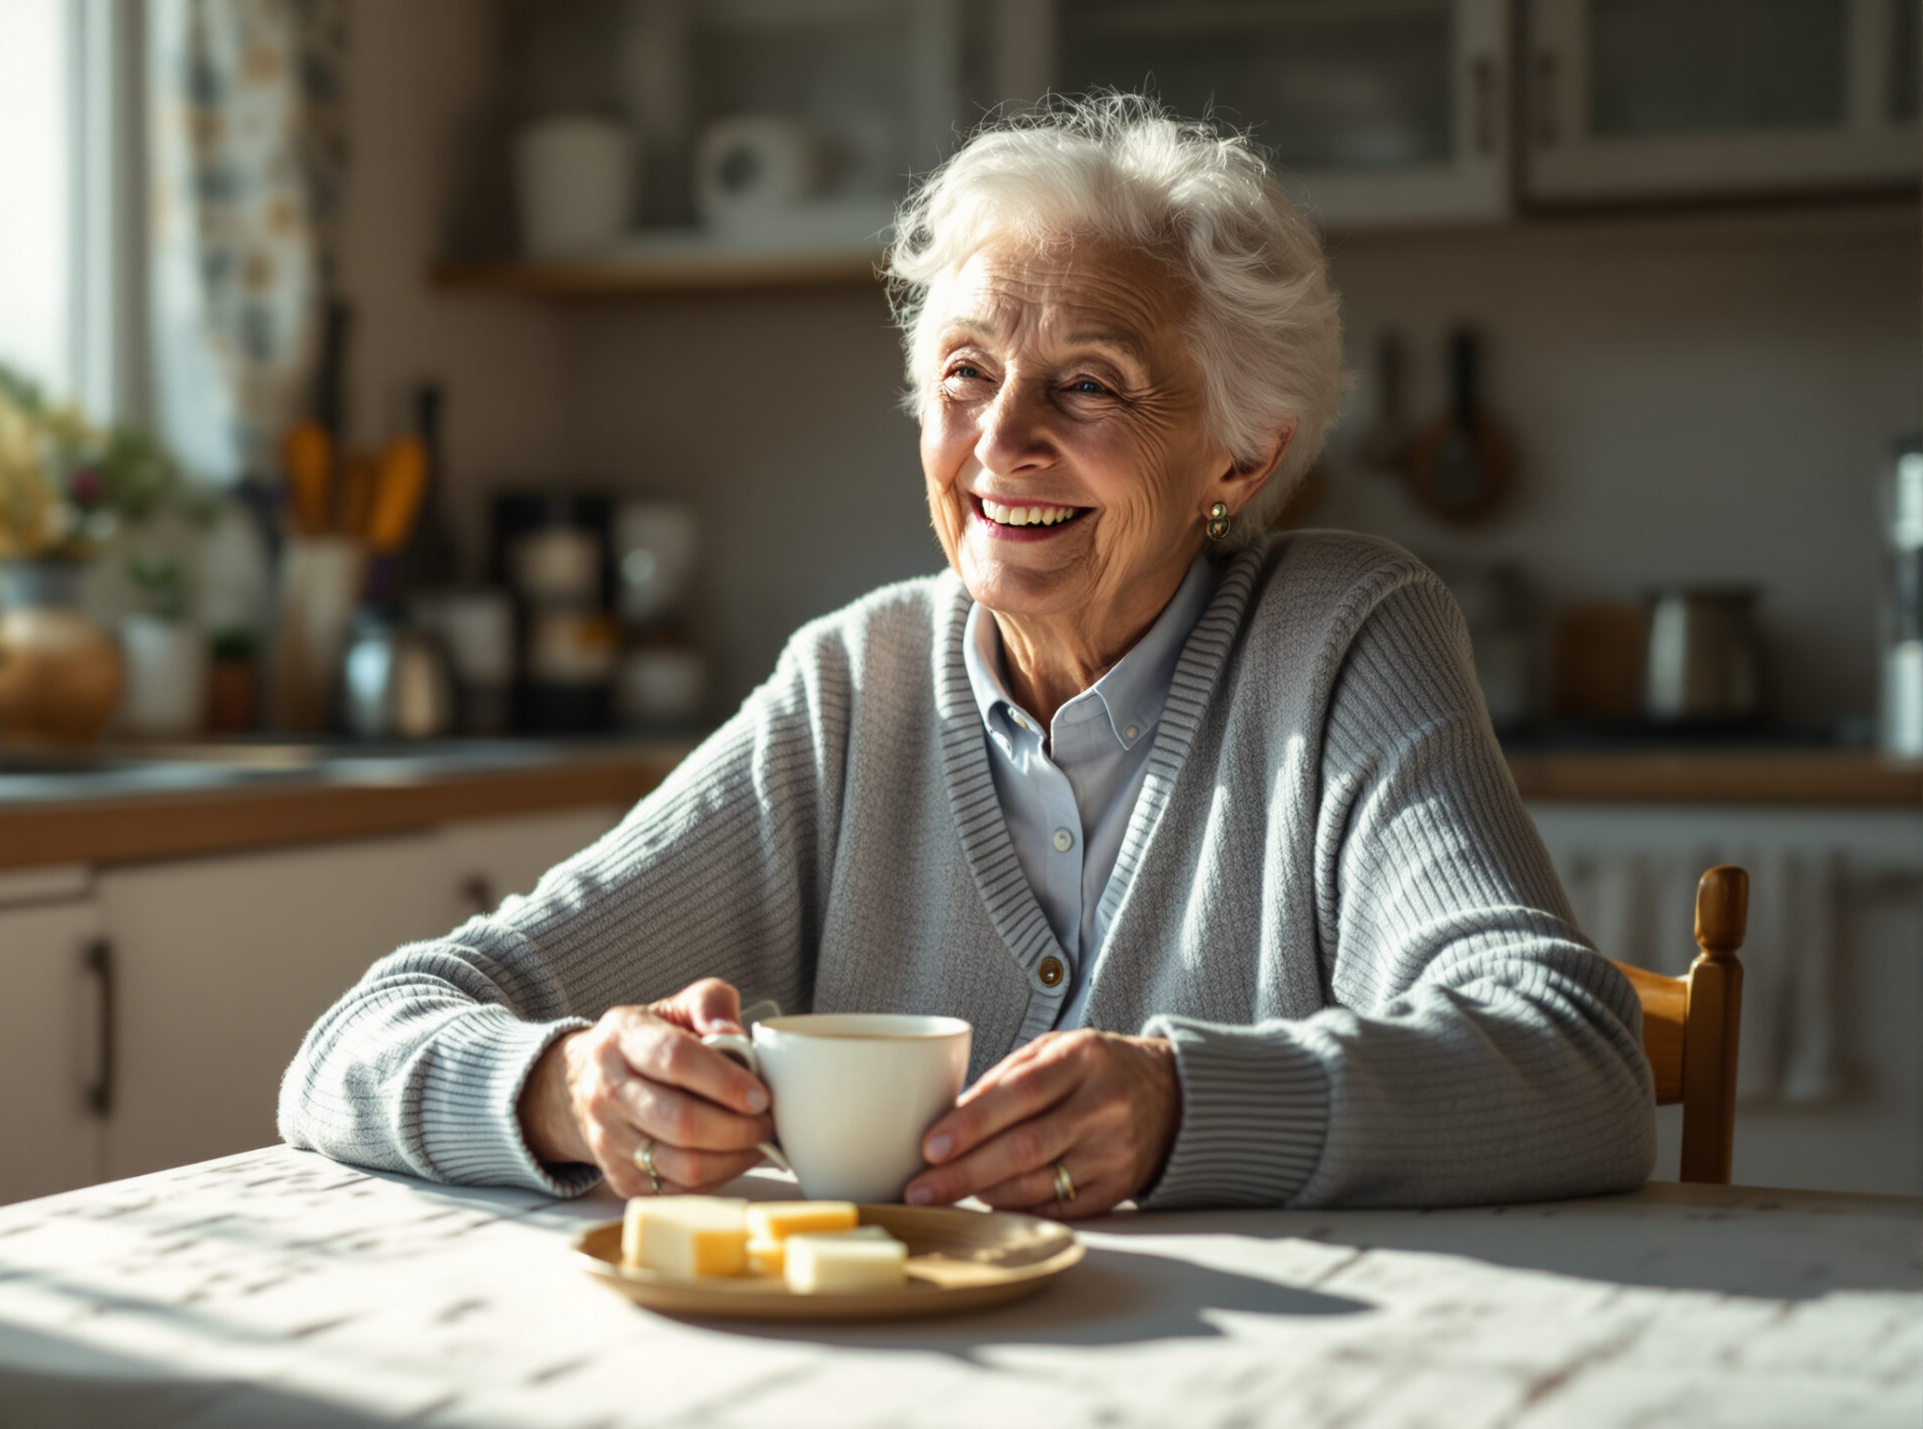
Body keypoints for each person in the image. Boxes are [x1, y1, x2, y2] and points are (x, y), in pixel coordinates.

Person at [280, 94, 1654, 1216]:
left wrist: (1183, 1106)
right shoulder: (855, 686)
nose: (1000, 442)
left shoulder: (1345, 637)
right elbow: (355, 1040)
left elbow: (1579, 1063)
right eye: (965, 373)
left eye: (1088, 384)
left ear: (1241, 452)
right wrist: (573, 1083)